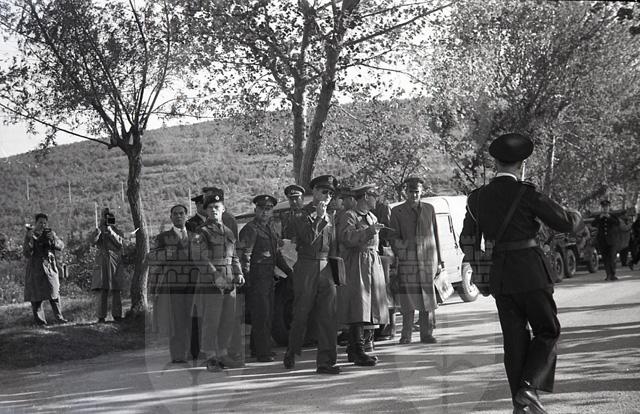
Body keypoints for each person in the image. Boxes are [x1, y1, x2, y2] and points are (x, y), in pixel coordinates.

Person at [459, 133, 582, 414]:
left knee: (514, 342)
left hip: (500, 278)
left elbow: (467, 241)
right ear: (521, 165)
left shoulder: (476, 199)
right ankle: (528, 386)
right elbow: (564, 222)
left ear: (496, 163)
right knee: (548, 330)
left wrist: (481, 272)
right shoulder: (527, 193)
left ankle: (520, 405)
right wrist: (575, 216)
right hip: (531, 272)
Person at [283, 174, 341, 375]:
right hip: (306, 265)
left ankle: (326, 361)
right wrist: (318, 217)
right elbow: (308, 238)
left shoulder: (330, 216)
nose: (328, 196)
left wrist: (336, 271)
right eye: (324, 191)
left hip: (325, 267)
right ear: (314, 192)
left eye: (331, 193)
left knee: (328, 315)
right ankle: (292, 351)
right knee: (301, 313)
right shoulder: (301, 215)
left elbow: (333, 244)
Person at [337, 184, 389, 366]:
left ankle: (356, 348)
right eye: (374, 195)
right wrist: (368, 231)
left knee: (369, 306)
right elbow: (346, 238)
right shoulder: (349, 216)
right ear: (366, 196)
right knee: (358, 306)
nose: (377, 199)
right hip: (357, 263)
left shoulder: (372, 217)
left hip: (371, 263)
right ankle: (358, 350)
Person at [238, 195, 293, 362]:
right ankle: (263, 352)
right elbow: (245, 256)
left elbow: (276, 254)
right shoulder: (250, 229)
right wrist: (247, 279)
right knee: (261, 315)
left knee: (267, 313)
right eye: (261, 209)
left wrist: (288, 271)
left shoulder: (269, 228)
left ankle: (258, 348)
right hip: (256, 279)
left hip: (268, 277)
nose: (265, 212)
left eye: (268, 209)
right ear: (256, 210)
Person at [194, 191, 245, 372]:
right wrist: (215, 275)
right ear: (206, 211)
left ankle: (223, 353)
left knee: (227, 319)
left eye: (217, 207)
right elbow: (200, 257)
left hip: (229, 279)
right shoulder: (202, 232)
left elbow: (234, 256)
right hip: (211, 281)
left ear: (223, 209)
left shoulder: (229, 231)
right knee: (211, 320)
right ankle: (210, 357)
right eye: (210, 208)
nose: (214, 210)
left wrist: (239, 273)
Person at [389, 176, 443, 345]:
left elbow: (435, 235)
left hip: (428, 261)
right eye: (411, 192)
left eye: (417, 192)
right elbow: (393, 237)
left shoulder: (429, 209)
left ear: (422, 191)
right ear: (406, 192)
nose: (414, 195)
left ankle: (427, 334)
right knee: (408, 299)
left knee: (427, 299)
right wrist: (404, 253)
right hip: (408, 262)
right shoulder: (397, 211)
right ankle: (406, 335)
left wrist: (439, 261)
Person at [154, 204, 200, 363]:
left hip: (194, 285)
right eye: (175, 214)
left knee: (194, 319)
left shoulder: (195, 236)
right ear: (171, 217)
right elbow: (155, 258)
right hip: (174, 285)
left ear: (186, 216)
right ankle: (178, 354)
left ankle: (194, 352)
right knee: (177, 320)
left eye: (181, 213)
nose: (178, 216)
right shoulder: (163, 238)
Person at [23, 213, 68, 325]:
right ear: (35, 223)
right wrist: (29, 239)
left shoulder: (50, 233)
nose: (42, 225)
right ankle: (40, 322)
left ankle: (59, 318)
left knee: (54, 292)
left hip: (49, 267)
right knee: (36, 296)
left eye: (44, 223)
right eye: (40, 223)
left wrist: (53, 240)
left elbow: (61, 246)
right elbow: (26, 253)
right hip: (35, 268)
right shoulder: (30, 235)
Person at [91, 208, 125, 323]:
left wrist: (111, 232)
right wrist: (98, 232)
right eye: (105, 218)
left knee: (116, 289)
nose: (107, 220)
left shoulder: (118, 231)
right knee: (102, 289)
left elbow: (120, 244)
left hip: (115, 262)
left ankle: (117, 315)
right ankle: (101, 316)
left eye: (110, 218)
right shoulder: (98, 230)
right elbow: (92, 242)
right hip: (102, 262)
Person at [592, 200, 621, 281]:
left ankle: (613, 274)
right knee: (605, 258)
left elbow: (617, 223)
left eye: (606, 207)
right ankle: (608, 274)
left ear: (609, 208)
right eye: (603, 207)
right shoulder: (599, 217)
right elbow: (593, 224)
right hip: (602, 241)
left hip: (612, 241)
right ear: (601, 208)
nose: (605, 208)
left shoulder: (613, 216)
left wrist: (609, 217)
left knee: (612, 258)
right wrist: (599, 218)